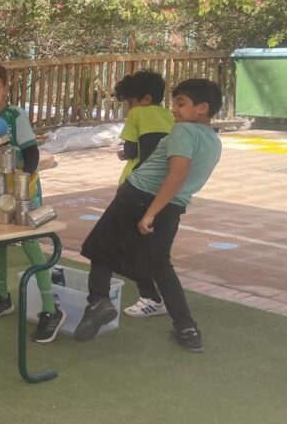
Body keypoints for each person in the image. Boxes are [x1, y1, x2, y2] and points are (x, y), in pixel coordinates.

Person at [74, 78, 224, 352]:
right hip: (173, 206)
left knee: (100, 249)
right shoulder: (214, 140)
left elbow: (177, 175)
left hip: (139, 197)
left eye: (181, 104)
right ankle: (187, 327)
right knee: (160, 265)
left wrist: (150, 213)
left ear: (202, 107)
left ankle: (98, 301)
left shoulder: (183, 131)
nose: (174, 109)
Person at [0, 62, 65, 343]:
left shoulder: (16, 115)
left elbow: (31, 152)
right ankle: (3, 297)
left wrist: (23, 184)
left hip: (23, 186)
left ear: (5, 89)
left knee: (29, 242)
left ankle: (51, 310)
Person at [112, 69, 175, 319]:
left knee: (121, 246)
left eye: (129, 102)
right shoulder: (169, 116)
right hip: (162, 191)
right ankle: (160, 298)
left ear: (145, 99)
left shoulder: (139, 114)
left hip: (135, 187)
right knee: (153, 249)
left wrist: (124, 154)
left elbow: (132, 150)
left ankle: (150, 296)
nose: (128, 108)